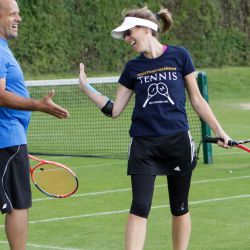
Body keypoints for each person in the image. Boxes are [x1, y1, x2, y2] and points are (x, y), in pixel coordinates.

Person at [79, 5, 230, 250]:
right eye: (125, 35)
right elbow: (115, 110)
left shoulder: (180, 56)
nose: (127, 38)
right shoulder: (132, 68)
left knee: (179, 207)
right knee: (139, 207)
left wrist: (219, 130)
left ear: (146, 29)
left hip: (177, 141)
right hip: (143, 145)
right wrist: (86, 88)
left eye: (129, 32)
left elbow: (197, 99)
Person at [0, 0, 69, 249]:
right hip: (8, 138)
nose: (18, 18)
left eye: (19, 13)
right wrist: (38, 105)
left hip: (10, 139)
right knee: (18, 205)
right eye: (12, 14)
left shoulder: (4, 48)